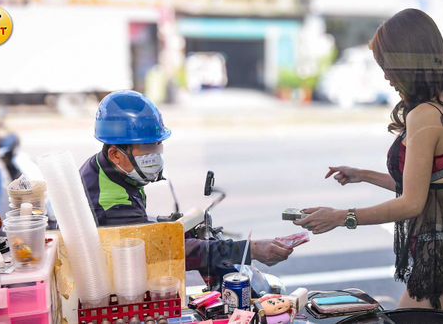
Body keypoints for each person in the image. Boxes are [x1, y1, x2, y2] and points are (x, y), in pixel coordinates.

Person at [293, 9, 443, 313]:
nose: (385, 74)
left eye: (387, 64)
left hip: (438, 261)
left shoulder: (425, 115)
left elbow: (411, 203)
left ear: (410, 59)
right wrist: (362, 174)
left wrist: (339, 217)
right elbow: (426, 185)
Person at [80, 90, 293, 277]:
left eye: (158, 144)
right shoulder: (111, 201)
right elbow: (163, 251)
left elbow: (136, 226)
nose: (155, 154)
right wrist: (249, 249)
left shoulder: (104, 169)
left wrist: (168, 224)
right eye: (146, 148)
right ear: (115, 154)